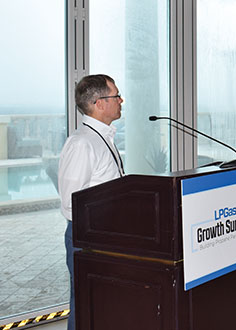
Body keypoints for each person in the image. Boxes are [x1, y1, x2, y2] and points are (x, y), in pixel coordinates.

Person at [58, 74, 125, 329]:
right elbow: (71, 203)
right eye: (116, 95)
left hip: (106, 235)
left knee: (105, 304)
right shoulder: (82, 143)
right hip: (88, 238)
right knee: (87, 304)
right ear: (99, 103)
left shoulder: (102, 137)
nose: (121, 100)